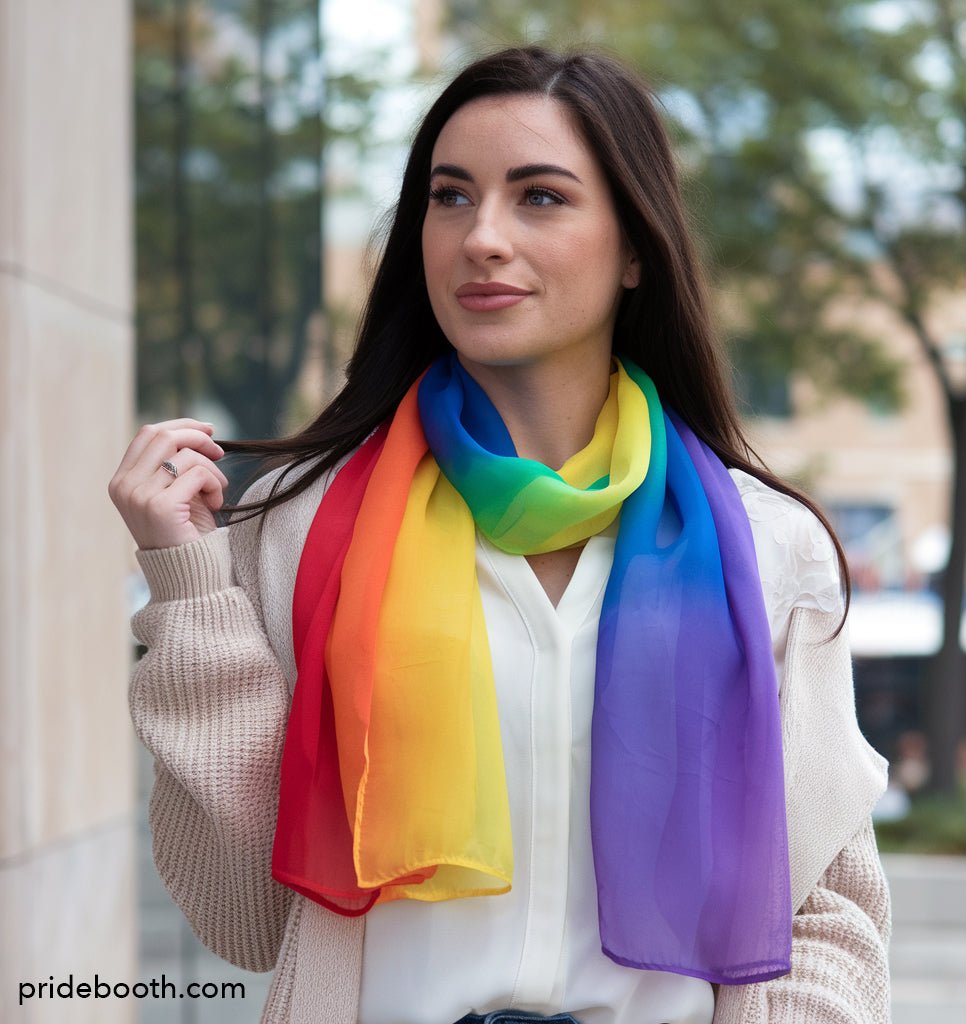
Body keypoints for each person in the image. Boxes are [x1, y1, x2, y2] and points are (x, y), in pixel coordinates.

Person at [110, 46, 891, 1024]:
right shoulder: (302, 528)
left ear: (635, 247)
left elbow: (831, 912)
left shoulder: (767, 548)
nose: (481, 237)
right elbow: (244, 914)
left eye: (540, 198)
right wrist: (187, 585)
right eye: (450, 196)